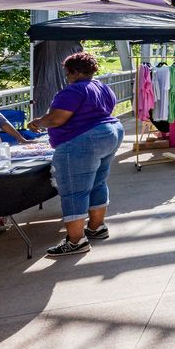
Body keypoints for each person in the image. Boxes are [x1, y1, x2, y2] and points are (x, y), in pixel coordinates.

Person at [27, 52, 124, 257]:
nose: (66, 76)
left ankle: (75, 241)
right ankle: (97, 227)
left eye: (67, 72)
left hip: (82, 141)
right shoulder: (102, 87)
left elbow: (57, 119)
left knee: (74, 190)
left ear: (73, 71)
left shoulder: (73, 90)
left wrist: (37, 122)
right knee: (98, 182)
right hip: (110, 133)